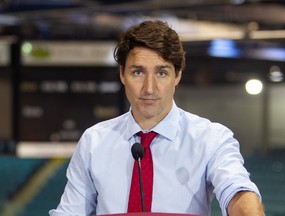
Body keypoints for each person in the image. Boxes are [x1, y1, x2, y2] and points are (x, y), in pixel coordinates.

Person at [49, 20, 264, 216]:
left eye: (161, 73)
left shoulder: (211, 139)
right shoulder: (93, 142)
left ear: (177, 75)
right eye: (138, 73)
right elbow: (70, 212)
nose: (149, 88)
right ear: (122, 74)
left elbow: (236, 189)